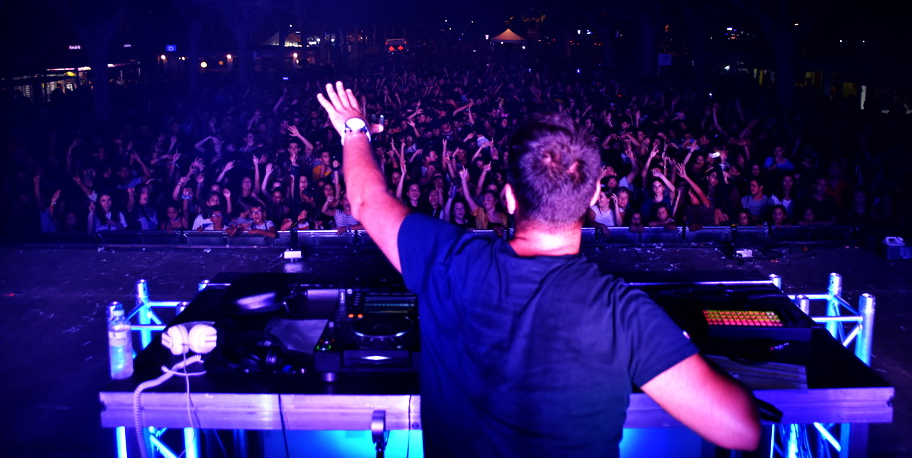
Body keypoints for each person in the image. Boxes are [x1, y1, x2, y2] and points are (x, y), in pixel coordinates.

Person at [317, 81, 760, 457]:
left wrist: (354, 129)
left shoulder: (449, 260)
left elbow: (367, 201)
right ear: (592, 199)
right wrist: (680, 351)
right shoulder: (623, 313)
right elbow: (740, 429)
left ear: (510, 198)